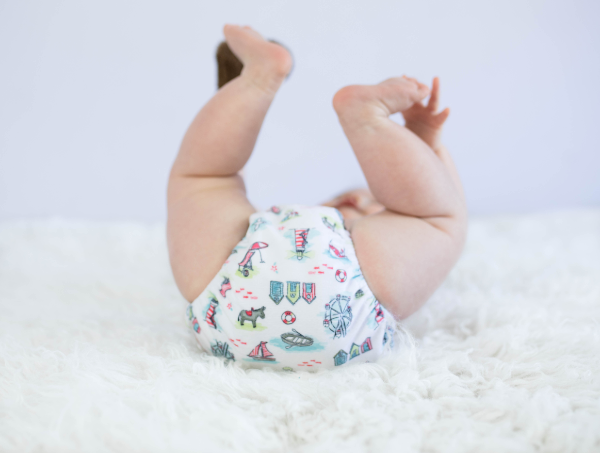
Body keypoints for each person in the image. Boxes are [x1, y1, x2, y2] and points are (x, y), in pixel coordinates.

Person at [167, 24, 467, 370]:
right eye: (348, 198)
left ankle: (259, 79)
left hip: (223, 308)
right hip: (352, 319)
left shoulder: (254, 241)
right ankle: (363, 117)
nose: (356, 201)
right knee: (441, 218)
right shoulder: (366, 256)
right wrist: (428, 147)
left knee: (206, 178)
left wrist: (422, 144)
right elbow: (440, 204)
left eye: (371, 205)